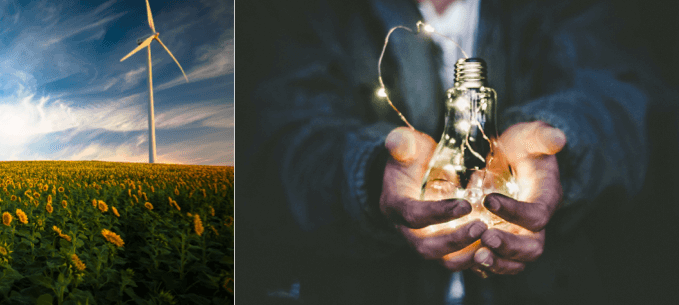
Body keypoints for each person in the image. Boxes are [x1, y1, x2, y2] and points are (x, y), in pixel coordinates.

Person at [238, 0, 678, 304]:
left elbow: (628, 96)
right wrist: (370, 175)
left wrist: (561, 145)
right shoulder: (308, 15)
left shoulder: (565, 11)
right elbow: (272, 132)